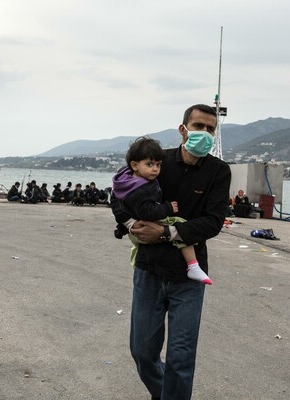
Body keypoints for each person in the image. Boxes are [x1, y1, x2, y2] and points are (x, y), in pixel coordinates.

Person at [111, 104, 230, 400]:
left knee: (181, 358)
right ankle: (165, 393)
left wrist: (165, 231)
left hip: (188, 276)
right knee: (142, 351)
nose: (205, 133)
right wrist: (129, 223)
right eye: (199, 126)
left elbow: (214, 222)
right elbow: (117, 193)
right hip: (149, 269)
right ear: (183, 129)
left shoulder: (218, 171)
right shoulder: (156, 161)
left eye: (210, 129)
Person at [112, 137, 213, 285]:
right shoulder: (140, 188)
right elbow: (146, 211)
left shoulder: (126, 180)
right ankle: (193, 265)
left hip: (134, 229)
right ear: (134, 165)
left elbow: (117, 199)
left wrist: (128, 223)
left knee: (139, 248)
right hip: (143, 225)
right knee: (180, 224)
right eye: (150, 164)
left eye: (158, 165)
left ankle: (136, 262)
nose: (155, 169)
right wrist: (167, 208)